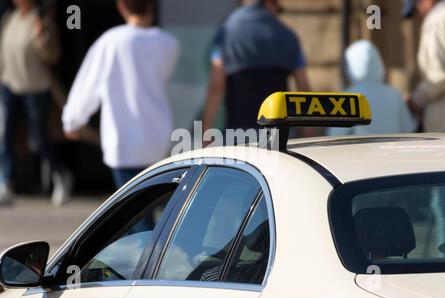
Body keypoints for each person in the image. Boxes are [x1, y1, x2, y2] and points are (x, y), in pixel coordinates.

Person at [63, 0, 180, 189]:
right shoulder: (169, 43)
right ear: (151, 6)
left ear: (121, 7)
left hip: (122, 141)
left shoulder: (111, 41)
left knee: (134, 211)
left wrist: (72, 120)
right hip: (157, 138)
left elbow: (88, 84)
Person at [0, 0, 72, 206]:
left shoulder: (43, 20)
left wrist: (42, 36)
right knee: (5, 135)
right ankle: (5, 183)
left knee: (37, 138)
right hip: (9, 84)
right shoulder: (10, 18)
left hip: (35, 86)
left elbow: (52, 56)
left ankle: (60, 173)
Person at [202, 0, 310, 132]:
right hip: (279, 132)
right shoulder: (288, 35)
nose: (277, 15)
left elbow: (216, 86)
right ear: (270, 3)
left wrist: (206, 132)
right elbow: (304, 89)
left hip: (239, 130)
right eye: (278, 10)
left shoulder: (227, 31)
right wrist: (310, 134)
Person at [328, 40, 417, 136]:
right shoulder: (394, 95)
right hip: (390, 149)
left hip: (361, 150)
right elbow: (409, 128)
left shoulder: (346, 98)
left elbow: (334, 135)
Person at [403, 0, 445, 132]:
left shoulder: (437, 21)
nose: (416, 18)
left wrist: (416, 99)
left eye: (415, 10)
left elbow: (441, 73)